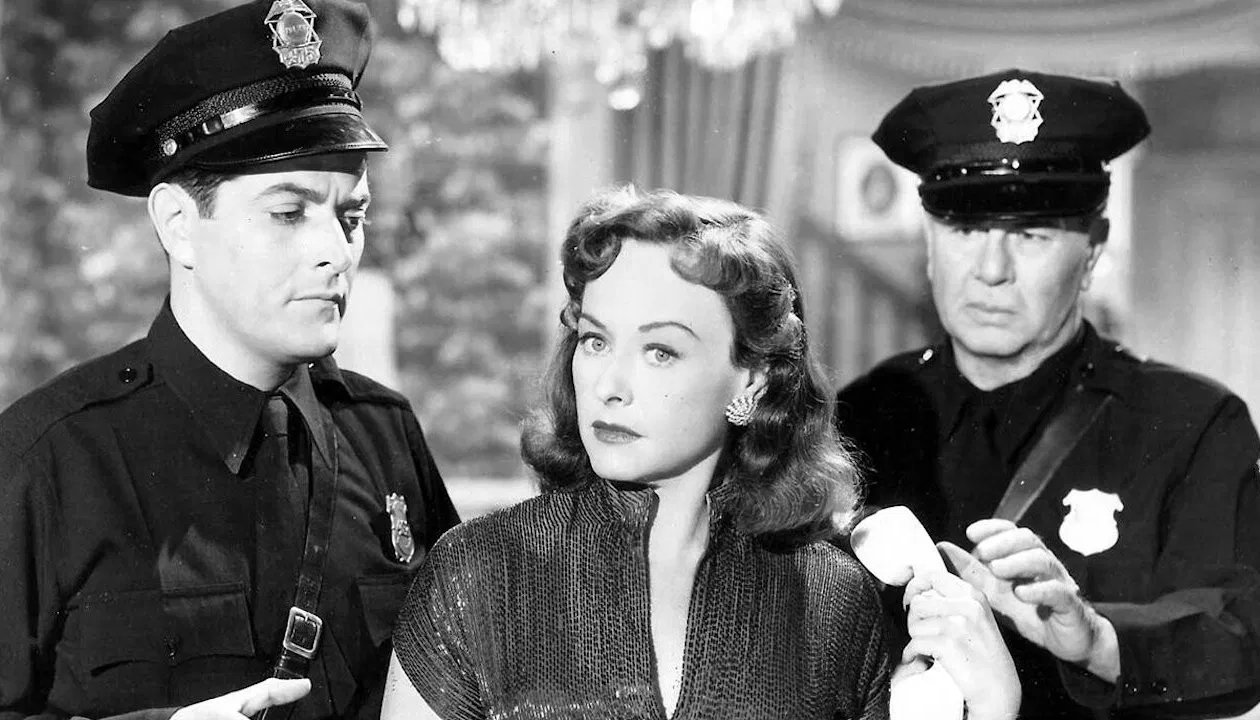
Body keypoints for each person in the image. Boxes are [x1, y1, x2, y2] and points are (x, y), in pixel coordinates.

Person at [0, 1, 460, 718]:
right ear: (179, 225)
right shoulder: (42, 463)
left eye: (351, 216)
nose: (335, 251)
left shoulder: (383, 434)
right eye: (288, 213)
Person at [379, 187, 1019, 720]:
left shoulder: (835, 601)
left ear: (752, 382)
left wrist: (993, 709)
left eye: (660, 351)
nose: (610, 386)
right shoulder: (479, 573)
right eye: (596, 341)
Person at [838, 68, 1260, 719]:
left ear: (1092, 250)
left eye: (1030, 235)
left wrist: (1097, 640)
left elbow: (1242, 631)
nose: (991, 270)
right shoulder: (863, 414)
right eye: (965, 230)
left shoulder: (1190, 425)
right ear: (929, 241)